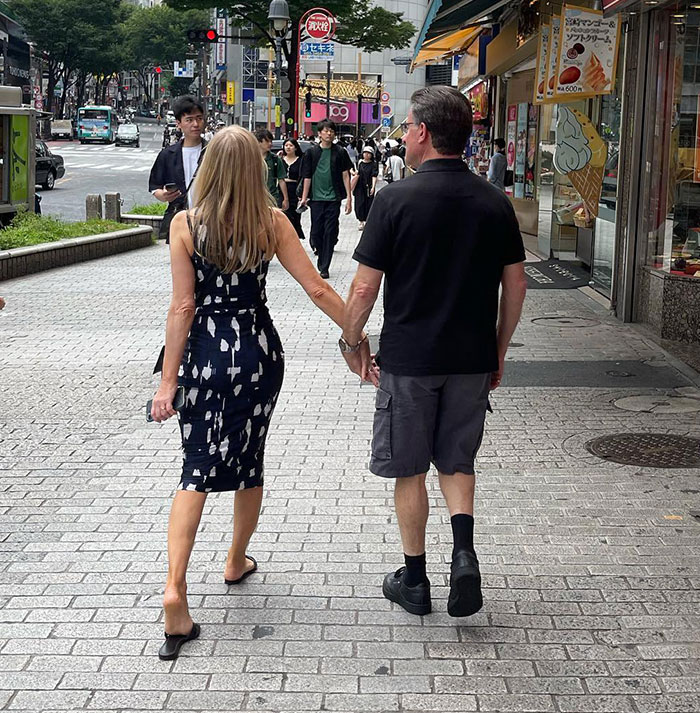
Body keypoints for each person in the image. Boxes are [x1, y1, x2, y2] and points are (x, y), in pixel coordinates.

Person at [150, 126, 350, 660]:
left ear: (209, 167)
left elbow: (182, 308)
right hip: (258, 353)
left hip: (203, 357)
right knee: (249, 460)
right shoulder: (272, 222)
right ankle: (236, 559)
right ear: (256, 170)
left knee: (195, 469)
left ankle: (175, 588)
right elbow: (316, 288)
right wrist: (357, 337)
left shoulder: (185, 224)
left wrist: (168, 382)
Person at [340, 86, 527, 618]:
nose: (402, 134)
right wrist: (499, 348)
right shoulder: (495, 202)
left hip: (410, 359)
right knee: (457, 460)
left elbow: (362, 289)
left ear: (422, 132)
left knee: (410, 469)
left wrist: (352, 343)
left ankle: (416, 580)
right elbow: (516, 286)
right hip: (471, 358)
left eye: (406, 126)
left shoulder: (395, 201)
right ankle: (463, 553)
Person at [299, 119, 353, 279]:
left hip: (333, 198)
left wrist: (349, 198)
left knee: (330, 231)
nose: (329, 133)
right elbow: (306, 176)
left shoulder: (340, 152)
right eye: (325, 130)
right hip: (316, 199)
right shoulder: (311, 153)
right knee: (316, 232)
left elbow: (345, 175)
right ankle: (320, 252)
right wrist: (304, 198)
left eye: (331, 131)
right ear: (319, 133)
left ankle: (324, 265)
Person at [149, 96, 207, 242]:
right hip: (178, 219)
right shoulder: (168, 155)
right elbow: (155, 185)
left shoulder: (214, 151)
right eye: (189, 120)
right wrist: (162, 195)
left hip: (208, 221)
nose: (196, 124)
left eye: (199, 118)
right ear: (179, 123)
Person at [255, 129, 289, 211]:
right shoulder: (250, 158)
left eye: (271, 141)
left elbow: (281, 180)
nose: (270, 144)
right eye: (267, 141)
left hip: (271, 197)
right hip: (253, 197)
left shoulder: (275, 159)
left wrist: (285, 198)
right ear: (259, 142)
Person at [281, 138, 305, 241]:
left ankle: (295, 236)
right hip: (282, 189)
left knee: (295, 215)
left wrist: (303, 194)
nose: (288, 147)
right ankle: (285, 237)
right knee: (284, 213)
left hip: (295, 189)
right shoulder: (280, 160)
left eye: (291, 145)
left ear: (295, 147)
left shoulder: (301, 160)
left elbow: (304, 177)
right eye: (286, 145)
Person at [351, 146, 378, 230]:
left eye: (368, 153)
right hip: (359, 187)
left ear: (371, 155)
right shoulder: (360, 163)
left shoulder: (373, 164)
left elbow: (374, 176)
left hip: (368, 186)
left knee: (369, 203)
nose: (366, 154)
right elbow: (357, 173)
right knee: (359, 204)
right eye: (365, 152)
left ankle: (367, 221)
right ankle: (361, 221)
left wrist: (373, 187)